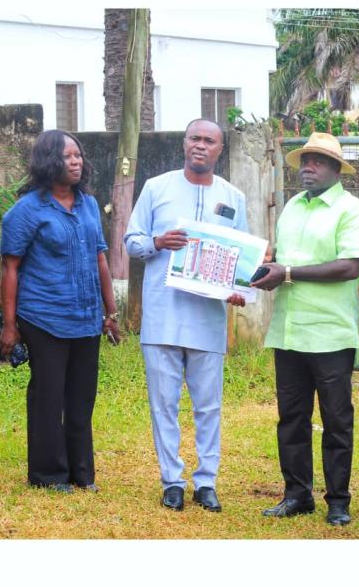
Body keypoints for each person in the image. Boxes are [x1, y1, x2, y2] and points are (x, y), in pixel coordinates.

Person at [124, 119, 247, 512]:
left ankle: (206, 481)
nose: (201, 146)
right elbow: (132, 241)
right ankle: (172, 480)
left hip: (207, 319)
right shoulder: (156, 188)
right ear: (184, 144)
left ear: (219, 149)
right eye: (195, 138)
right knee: (164, 403)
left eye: (209, 141)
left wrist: (238, 290)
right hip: (162, 315)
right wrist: (157, 242)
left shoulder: (234, 197)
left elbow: (240, 257)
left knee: (208, 405)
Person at [253, 132, 359, 526]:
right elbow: (281, 258)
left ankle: (338, 500)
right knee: (291, 417)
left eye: (318, 161)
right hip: (289, 331)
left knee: (337, 419)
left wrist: (287, 272)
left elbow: (349, 267)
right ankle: (297, 494)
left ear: (337, 169)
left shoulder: (352, 211)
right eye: (305, 160)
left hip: (329, 334)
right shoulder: (291, 206)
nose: (308, 167)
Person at [0, 129, 120, 493]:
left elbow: (100, 258)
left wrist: (110, 312)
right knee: (49, 397)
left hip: (85, 317)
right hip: (44, 317)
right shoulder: (26, 211)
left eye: (78, 155)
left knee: (82, 397)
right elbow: (10, 268)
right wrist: (9, 325)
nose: (76, 161)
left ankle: (82, 474)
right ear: (49, 161)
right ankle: (48, 475)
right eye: (68, 155)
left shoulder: (87, 205)